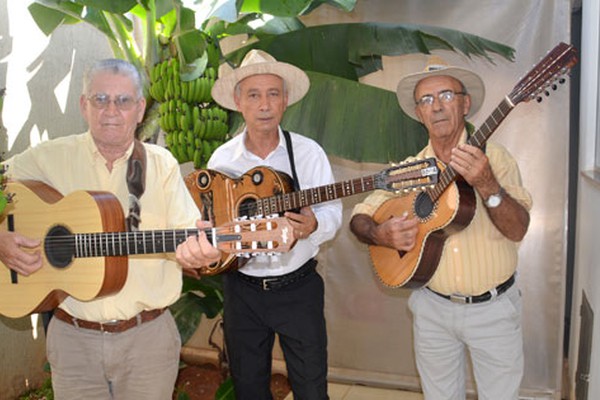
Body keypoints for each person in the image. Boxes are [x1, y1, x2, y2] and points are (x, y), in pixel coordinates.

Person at [0, 58, 221, 399]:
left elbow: (187, 232)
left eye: (123, 100)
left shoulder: (160, 165)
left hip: (147, 341)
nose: (111, 111)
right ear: (83, 105)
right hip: (72, 342)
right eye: (100, 99)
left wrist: (200, 253)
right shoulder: (49, 158)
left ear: (140, 108)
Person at [349, 57, 533, 400]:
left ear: (465, 103)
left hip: (492, 311)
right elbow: (361, 215)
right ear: (419, 113)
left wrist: (488, 184)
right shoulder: (409, 169)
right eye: (426, 101)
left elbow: (518, 229)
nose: (436, 107)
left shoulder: (497, 159)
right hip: (432, 309)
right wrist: (379, 233)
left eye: (446, 96)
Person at [208, 49, 342, 399]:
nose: (264, 104)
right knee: (249, 388)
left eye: (272, 94)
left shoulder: (308, 153)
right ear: (239, 102)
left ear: (285, 101)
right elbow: (211, 224)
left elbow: (332, 212)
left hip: (299, 289)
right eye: (253, 95)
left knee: (311, 389)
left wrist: (312, 225)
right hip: (242, 292)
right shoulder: (222, 160)